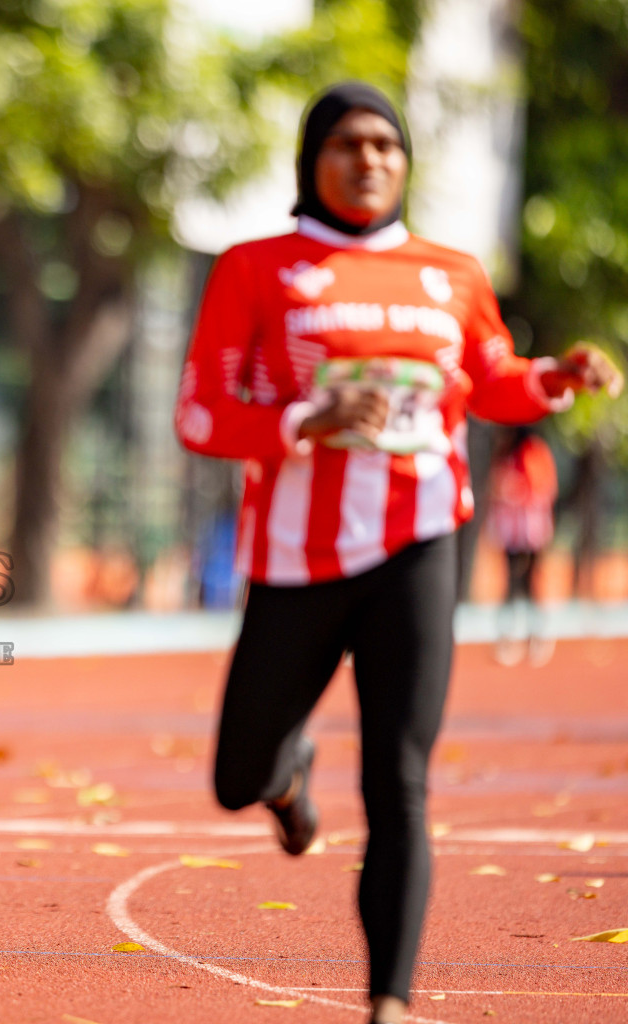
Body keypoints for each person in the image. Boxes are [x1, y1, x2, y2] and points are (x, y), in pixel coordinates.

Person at [174, 83, 622, 1024]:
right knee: (235, 778)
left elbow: (491, 380)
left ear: (405, 160)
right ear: (313, 160)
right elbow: (201, 415)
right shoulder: (257, 268)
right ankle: (285, 777)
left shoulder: (451, 273)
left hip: (421, 544)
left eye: (386, 144)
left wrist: (555, 377)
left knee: (399, 776)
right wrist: (308, 415)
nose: (369, 159)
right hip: (296, 557)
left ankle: (391, 1000)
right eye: (346, 143)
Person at [486, 425, 558, 665]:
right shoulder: (505, 455)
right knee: (511, 583)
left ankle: (538, 635)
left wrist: (517, 491)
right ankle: (508, 637)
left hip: (532, 529)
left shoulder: (534, 452)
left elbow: (543, 486)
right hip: (512, 530)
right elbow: (496, 487)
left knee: (532, 581)